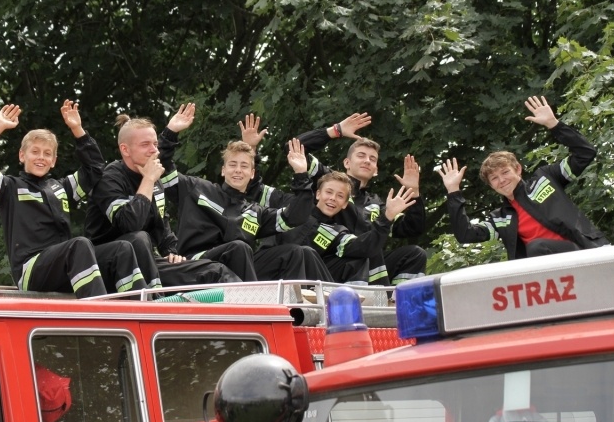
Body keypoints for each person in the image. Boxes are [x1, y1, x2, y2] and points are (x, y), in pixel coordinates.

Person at [0, 101, 146, 298]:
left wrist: (77, 129)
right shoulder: (9, 188)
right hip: (31, 271)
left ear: (54, 161)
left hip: (66, 266)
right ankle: (98, 311)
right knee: (80, 245)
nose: (41, 157)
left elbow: (95, 169)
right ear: (22, 155)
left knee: (122, 249)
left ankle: (140, 310)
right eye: (35, 152)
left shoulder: (62, 188)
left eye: (47, 153)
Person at [241, 113, 427, 287]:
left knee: (414, 254)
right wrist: (335, 130)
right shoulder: (328, 179)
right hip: (321, 261)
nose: (367, 161)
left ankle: (400, 302)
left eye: (372, 159)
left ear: (376, 170)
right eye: (361, 155)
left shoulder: (378, 205)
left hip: (359, 256)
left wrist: (414, 192)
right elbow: (294, 149)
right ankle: (374, 300)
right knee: (353, 256)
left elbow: (412, 228)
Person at [159, 105, 331, 283]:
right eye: (233, 165)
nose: (238, 170)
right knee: (239, 248)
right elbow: (162, 169)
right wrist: (171, 132)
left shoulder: (255, 212)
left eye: (244, 166)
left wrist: (301, 174)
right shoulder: (196, 188)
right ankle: (251, 299)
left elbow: (295, 216)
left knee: (298, 252)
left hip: (240, 268)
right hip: (198, 264)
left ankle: (314, 299)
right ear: (223, 170)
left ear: (252, 173)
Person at [437, 95, 609, 259]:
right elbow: (466, 235)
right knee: (533, 250)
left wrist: (554, 124)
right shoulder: (501, 218)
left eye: (505, 172)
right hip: (549, 272)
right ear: (491, 186)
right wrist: (453, 191)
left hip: (585, 252)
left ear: (518, 169)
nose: (502, 180)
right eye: (494, 178)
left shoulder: (545, 179)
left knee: (536, 246)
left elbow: (585, 154)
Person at [84, 111, 243, 288]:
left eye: (155, 144)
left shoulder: (154, 179)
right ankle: (155, 299)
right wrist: (148, 180)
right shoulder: (109, 178)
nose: (154, 150)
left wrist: (172, 252)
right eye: (145, 145)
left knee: (217, 271)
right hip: (109, 265)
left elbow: (162, 228)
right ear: (125, 150)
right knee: (139, 238)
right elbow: (130, 224)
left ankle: (255, 303)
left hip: (147, 262)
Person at [277, 171, 416, 285]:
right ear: (318, 194)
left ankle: (364, 304)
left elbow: (364, 246)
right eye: (329, 192)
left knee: (358, 259)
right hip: (274, 276)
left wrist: (388, 216)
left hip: (309, 285)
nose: (333, 198)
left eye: (340, 196)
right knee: (303, 252)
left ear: (344, 204)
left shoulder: (336, 231)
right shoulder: (294, 211)